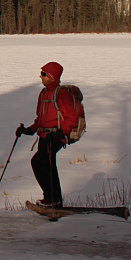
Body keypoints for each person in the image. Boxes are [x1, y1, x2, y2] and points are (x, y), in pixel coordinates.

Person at [15, 61, 79, 207]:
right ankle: (52, 199)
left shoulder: (62, 94)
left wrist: (61, 133)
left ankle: (53, 199)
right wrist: (29, 130)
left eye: (44, 74)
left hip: (56, 137)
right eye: (42, 73)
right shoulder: (44, 93)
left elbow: (71, 118)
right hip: (44, 136)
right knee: (45, 165)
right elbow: (41, 118)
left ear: (52, 76)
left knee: (41, 163)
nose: (41, 76)